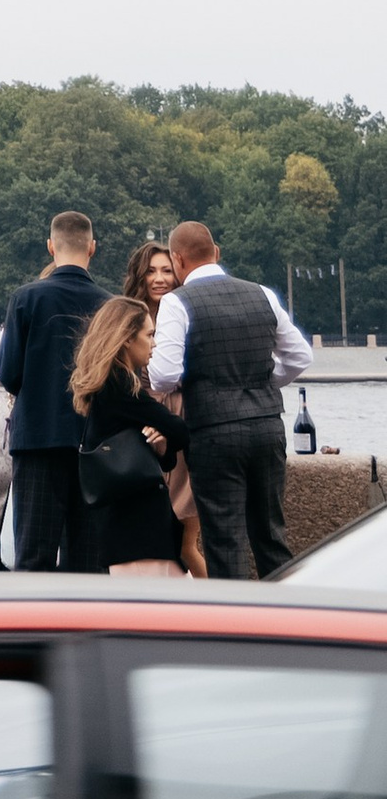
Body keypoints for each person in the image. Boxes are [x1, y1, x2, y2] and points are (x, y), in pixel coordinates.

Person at [148, 218, 312, 581]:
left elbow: (163, 375)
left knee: (225, 542)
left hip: (213, 433)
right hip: (268, 426)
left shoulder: (177, 302)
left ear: (177, 260)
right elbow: (301, 356)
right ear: (216, 253)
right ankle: (289, 618)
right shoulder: (263, 294)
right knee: (271, 534)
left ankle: (235, 627)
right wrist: (259, 383)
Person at [0, 213, 109, 574]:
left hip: (37, 441)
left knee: (33, 554)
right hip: (92, 444)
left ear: (50, 246)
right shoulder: (109, 304)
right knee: (87, 557)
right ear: (92, 248)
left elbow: (7, 372)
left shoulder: (26, 298)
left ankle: (32, 627)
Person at [69, 296, 189, 576]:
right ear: (126, 338)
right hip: (137, 528)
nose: (154, 343)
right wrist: (167, 438)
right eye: (149, 335)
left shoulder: (109, 385)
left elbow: (163, 451)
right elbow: (179, 430)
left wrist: (161, 448)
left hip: (127, 523)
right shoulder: (120, 386)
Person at [124, 236, 206, 576]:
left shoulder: (188, 311)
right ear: (139, 276)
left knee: (186, 538)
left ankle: (219, 606)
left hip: (180, 423)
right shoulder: (127, 318)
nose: (159, 278)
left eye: (167, 270)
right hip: (141, 430)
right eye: (151, 271)